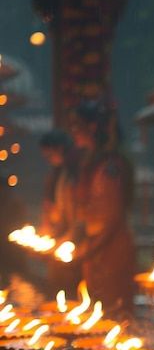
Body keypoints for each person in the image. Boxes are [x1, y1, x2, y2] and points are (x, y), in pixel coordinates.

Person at [69, 100, 135, 314]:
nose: (73, 131)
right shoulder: (92, 162)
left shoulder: (109, 166)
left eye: (77, 125)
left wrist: (87, 250)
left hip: (111, 250)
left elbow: (113, 217)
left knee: (113, 316)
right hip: (95, 249)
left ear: (93, 127)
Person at [39, 129, 81, 296]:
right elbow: (53, 206)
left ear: (59, 148)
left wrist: (67, 239)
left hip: (74, 241)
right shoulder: (59, 173)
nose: (49, 160)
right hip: (61, 236)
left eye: (50, 155)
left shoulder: (76, 172)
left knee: (71, 289)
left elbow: (78, 213)